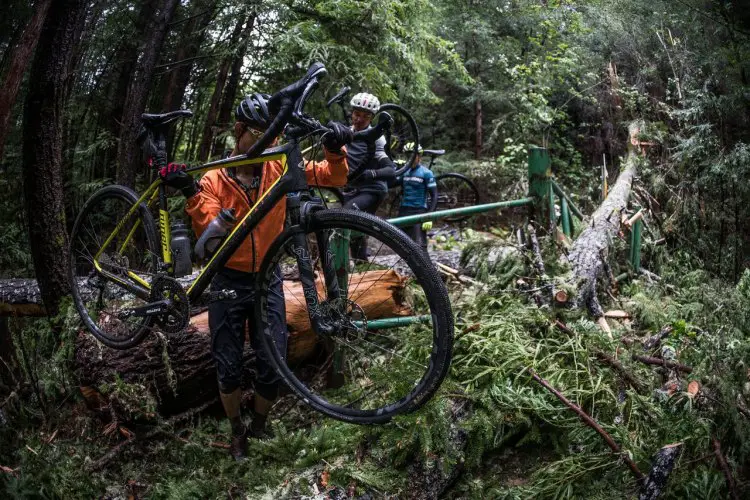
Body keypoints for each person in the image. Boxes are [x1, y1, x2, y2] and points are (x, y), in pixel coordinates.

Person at [159, 93, 352, 460]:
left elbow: (334, 176)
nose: (269, 141)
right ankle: (236, 431)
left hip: (268, 280)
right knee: (228, 365)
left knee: (272, 363)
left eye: (272, 134)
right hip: (227, 281)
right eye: (259, 132)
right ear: (239, 130)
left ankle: (260, 425)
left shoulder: (279, 167)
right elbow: (209, 233)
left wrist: (334, 146)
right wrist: (191, 192)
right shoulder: (215, 177)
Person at [342, 92, 396, 258]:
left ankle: (350, 267)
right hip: (352, 188)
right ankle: (361, 266)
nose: (359, 120)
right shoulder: (346, 133)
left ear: (371, 119)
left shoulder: (376, 138)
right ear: (352, 113)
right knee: (355, 229)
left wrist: (370, 173)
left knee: (346, 215)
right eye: (357, 114)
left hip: (372, 190)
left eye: (365, 117)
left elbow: (390, 170)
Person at [397, 143, 437, 253]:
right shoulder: (404, 171)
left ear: (419, 156)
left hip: (418, 211)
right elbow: (391, 183)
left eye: (413, 155)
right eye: (408, 156)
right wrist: (395, 169)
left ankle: (427, 269)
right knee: (401, 244)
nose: (410, 159)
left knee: (420, 247)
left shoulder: (426, 173)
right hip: (403, 210)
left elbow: (434, 196)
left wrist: (429, 217)